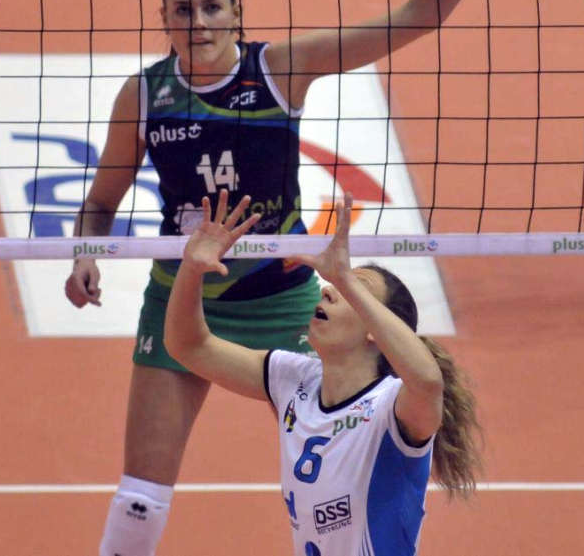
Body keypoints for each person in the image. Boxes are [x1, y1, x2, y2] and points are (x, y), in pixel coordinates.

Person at [64, 0, 556, 555]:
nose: (198, 22)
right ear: (164, 18)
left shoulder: (280, 70)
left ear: (237, 12)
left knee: (367, 452)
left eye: (211, 7)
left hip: (286, 299)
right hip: (184, 294)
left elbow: (415, 18)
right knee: (141, 493)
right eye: (183, 10)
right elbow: (100, 201)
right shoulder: (145, 95)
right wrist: (84, 253)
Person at [165, 189, 482, 555]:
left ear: (375, 330)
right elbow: (188, 346)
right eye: (337, 283)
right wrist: (191, 269)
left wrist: (346, 279)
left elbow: (427, 382)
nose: (329, 288)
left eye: (354, 288)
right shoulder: (294, 379)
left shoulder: (393, 408)